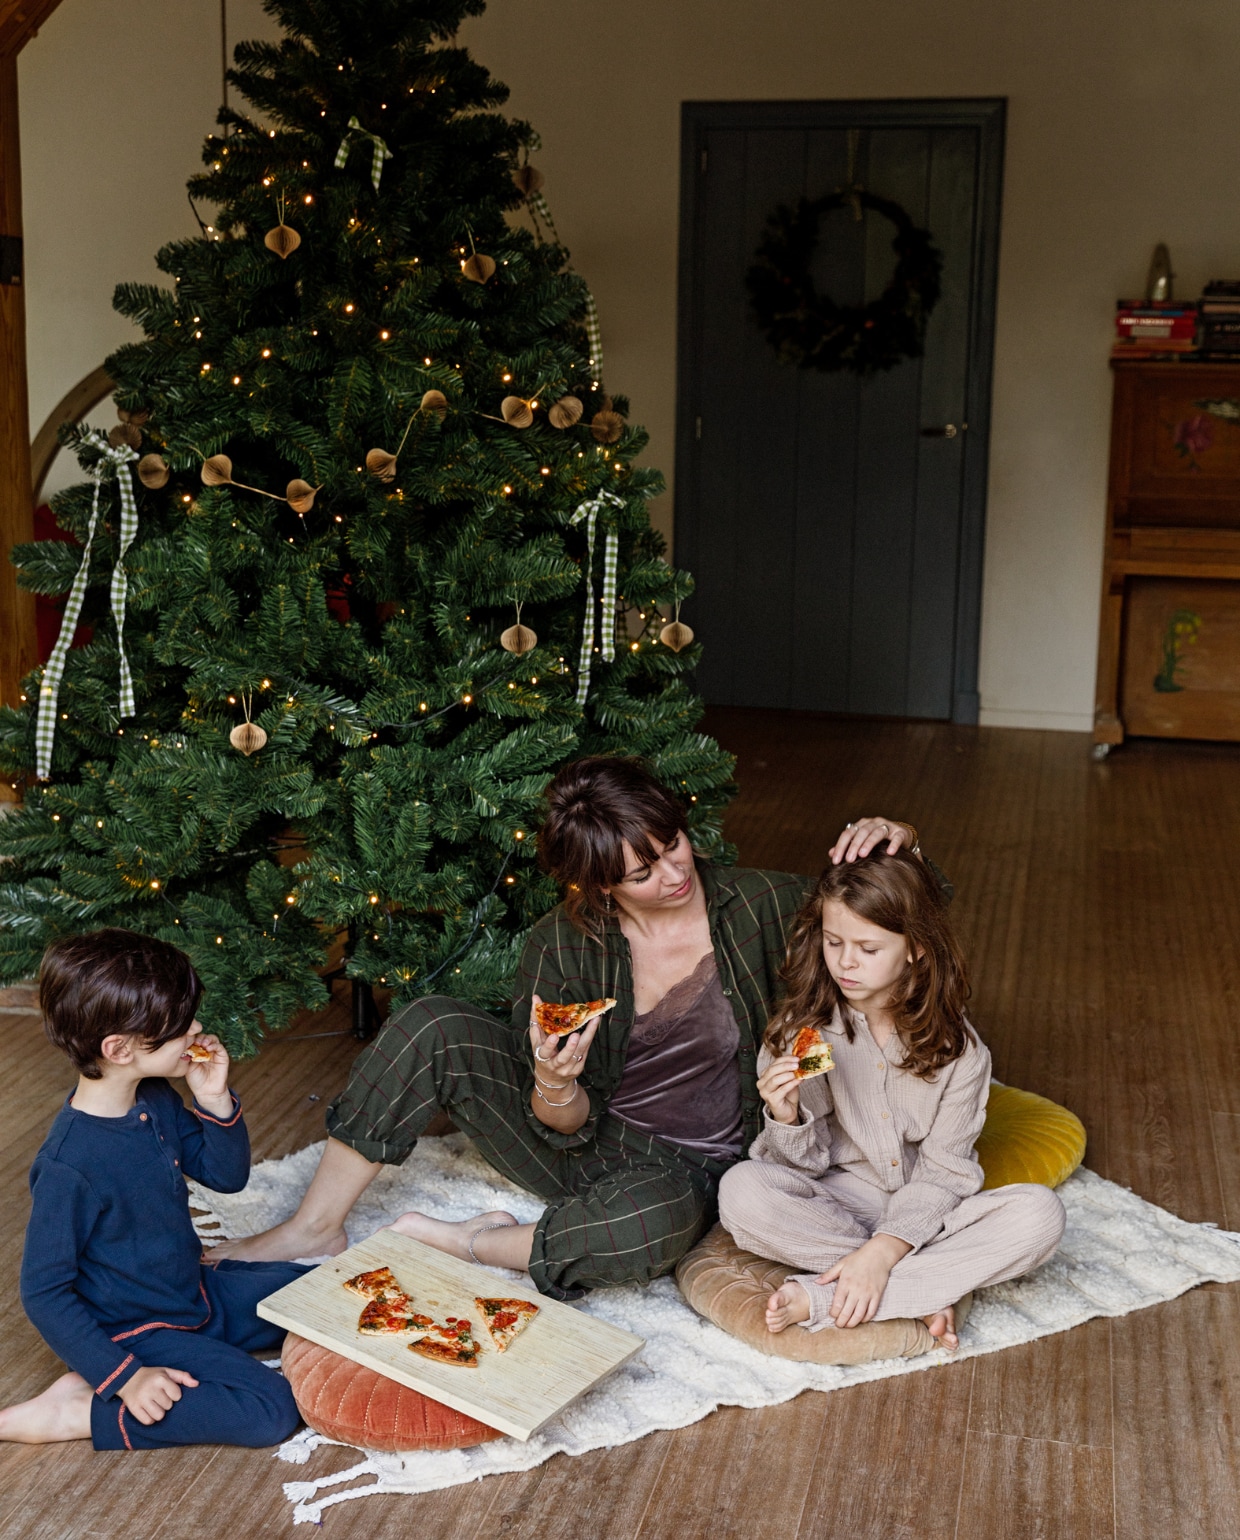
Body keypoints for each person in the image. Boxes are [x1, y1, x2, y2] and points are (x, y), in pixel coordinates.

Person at [211, 756, 920, 1300]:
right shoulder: (563, 944)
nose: (673, 873)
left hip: (692, 1170)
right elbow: (558, 1123)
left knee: (656, 1227)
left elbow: (908, 917)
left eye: (671, 844)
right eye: (640, 872)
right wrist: (554, 1082)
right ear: (600, 883)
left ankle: (473, 1242)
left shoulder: (765, 903)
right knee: (432, 1022)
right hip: (580, 1140)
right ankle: (313, 1226)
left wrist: (903, 844)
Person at [716, 845, 1066, 1350]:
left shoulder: (961, 1052)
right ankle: (925, 1289)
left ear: (916, 948)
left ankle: (825, 1296)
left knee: (1040, 1214)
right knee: (741, 1191)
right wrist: (786, 1115)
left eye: (868, 948)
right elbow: (801, 1169)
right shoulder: (798, 1036)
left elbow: (945, 1175)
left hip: (930, 1213)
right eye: (834, 942)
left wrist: (884, 1251)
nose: (845, 962)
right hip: (836, 1202)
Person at [0, 929, 308, 1450]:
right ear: (119, 1049)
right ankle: (78, 1411)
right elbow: (43, 1292)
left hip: (193, 1295)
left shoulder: (155, 1097)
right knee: (271, 1410)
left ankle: (205, 1338)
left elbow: (226, 1177)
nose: (197, 1029)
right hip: (137, 1331)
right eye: (179, 1027)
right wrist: (123, 1376)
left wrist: (213, 1100)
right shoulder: (68, 1166)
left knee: (321, 1293)